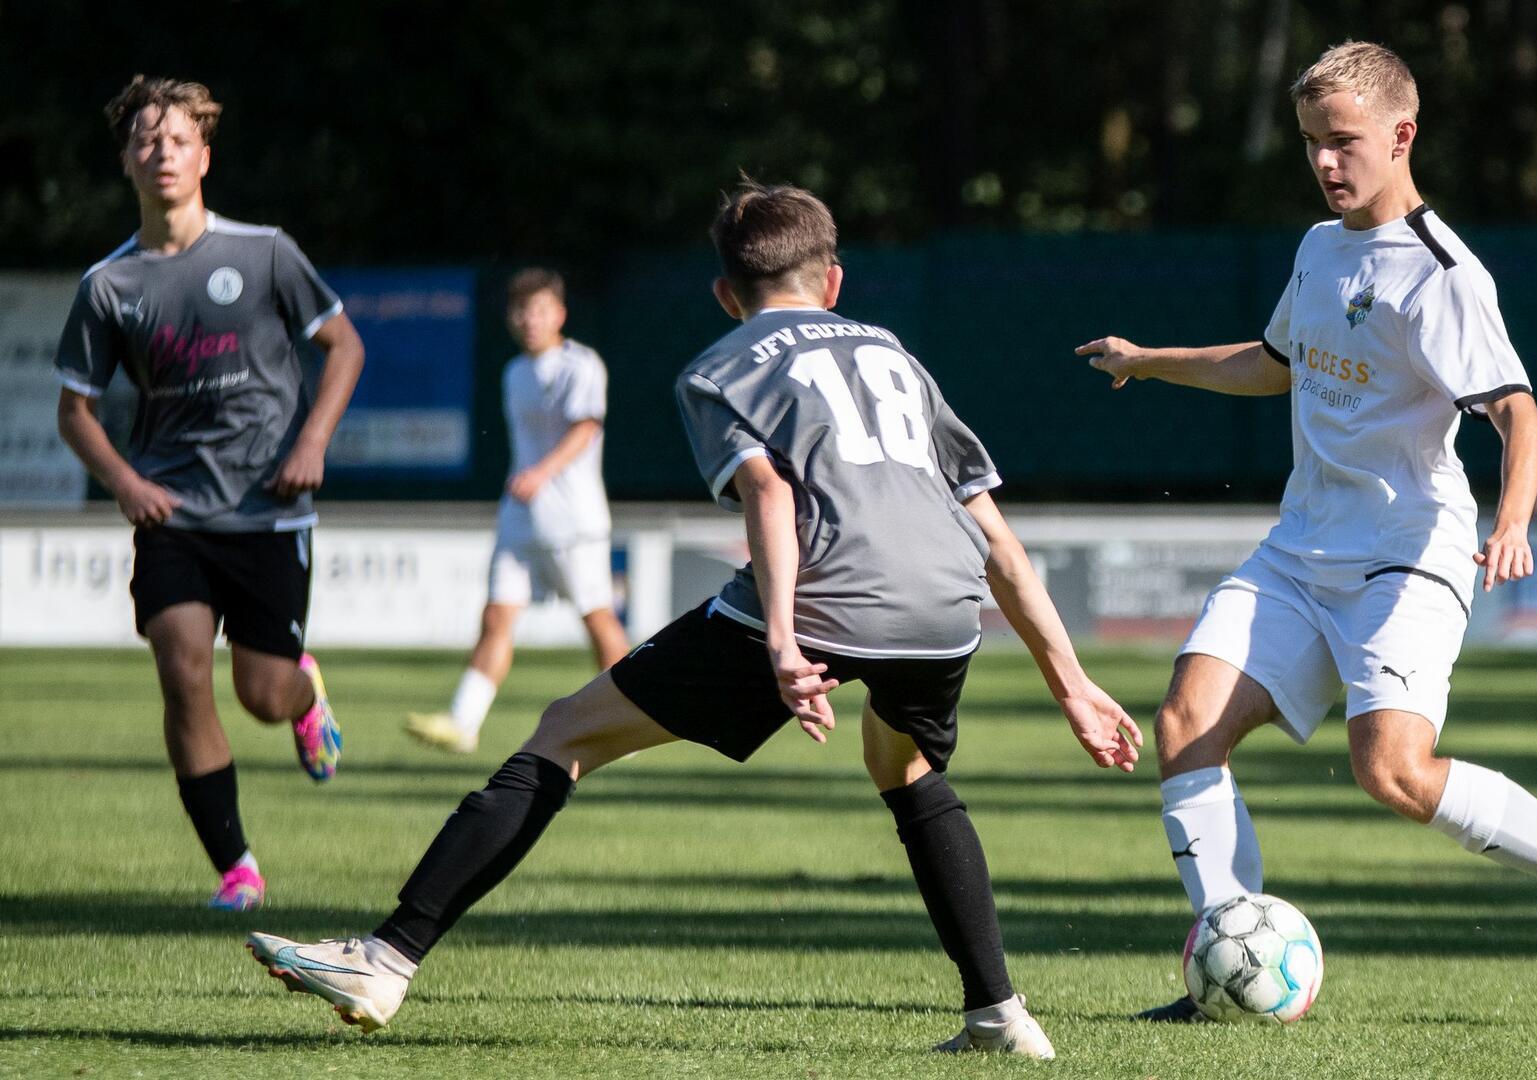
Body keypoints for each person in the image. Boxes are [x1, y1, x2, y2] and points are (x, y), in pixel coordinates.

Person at [246, 181, 1140, 1059]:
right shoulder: (894, 353)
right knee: (902, 768)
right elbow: (997, 538)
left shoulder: (721, 366)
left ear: (726, 294)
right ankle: (1001, 1015)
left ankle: (387, 957)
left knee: (563, 734)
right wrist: (1075, 686)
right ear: (833, 281)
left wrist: (784, 639)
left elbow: (767, 492)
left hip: (822, 597)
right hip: (945, 610)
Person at [1075, 42, 1537, 1022]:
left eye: (1344, 141)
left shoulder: (1442, 275)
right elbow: (1274, 361)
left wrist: (1515, 520)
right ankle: (1228, 967)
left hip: (1407, 552)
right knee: (1188, 723)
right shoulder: (1320, 248)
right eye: (1313, 142)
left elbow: (1519, 416)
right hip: (1300, 548)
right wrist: (1148, 361)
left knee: (1391, 770)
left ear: (1402, 135)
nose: (1326, 161)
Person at [53, 75, 364, 911]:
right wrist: (123, 481)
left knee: (261, 695)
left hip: (268, 510)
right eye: (147, 141)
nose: (162, 152)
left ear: (205, 158)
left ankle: (304, 692)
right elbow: (75, 412)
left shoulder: (263, 252)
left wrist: (311, 441)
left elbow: (343, 347)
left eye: (178, 139)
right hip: (174, 516)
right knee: (182, 667)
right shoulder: (108, 286)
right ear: (126, 161)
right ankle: (237, 868)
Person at [406, 268, 629, 754]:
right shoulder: (514, 371)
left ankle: (632, 721)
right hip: (520, 517)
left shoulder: (581, 365)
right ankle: (463, 723)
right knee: (495, 618)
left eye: (541, 310)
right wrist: (527, 483)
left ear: (561, 315)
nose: (530, 320)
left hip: (573, 521)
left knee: (597, 620)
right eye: (522, 311)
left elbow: (586, 428)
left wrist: (541, 474)